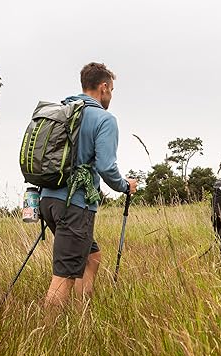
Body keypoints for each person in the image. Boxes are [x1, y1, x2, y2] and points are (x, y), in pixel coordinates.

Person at [40, 62, 137, 308]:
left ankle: (82, 313)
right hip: (75, 204)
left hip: (47, 199)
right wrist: (125, 186)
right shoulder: (104, 119)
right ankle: (47, 336)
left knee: (91, 256)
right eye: (112, 90)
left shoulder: (61, 111)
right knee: (63, 276)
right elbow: (106, 166)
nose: (111, 96)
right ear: (103, 87)